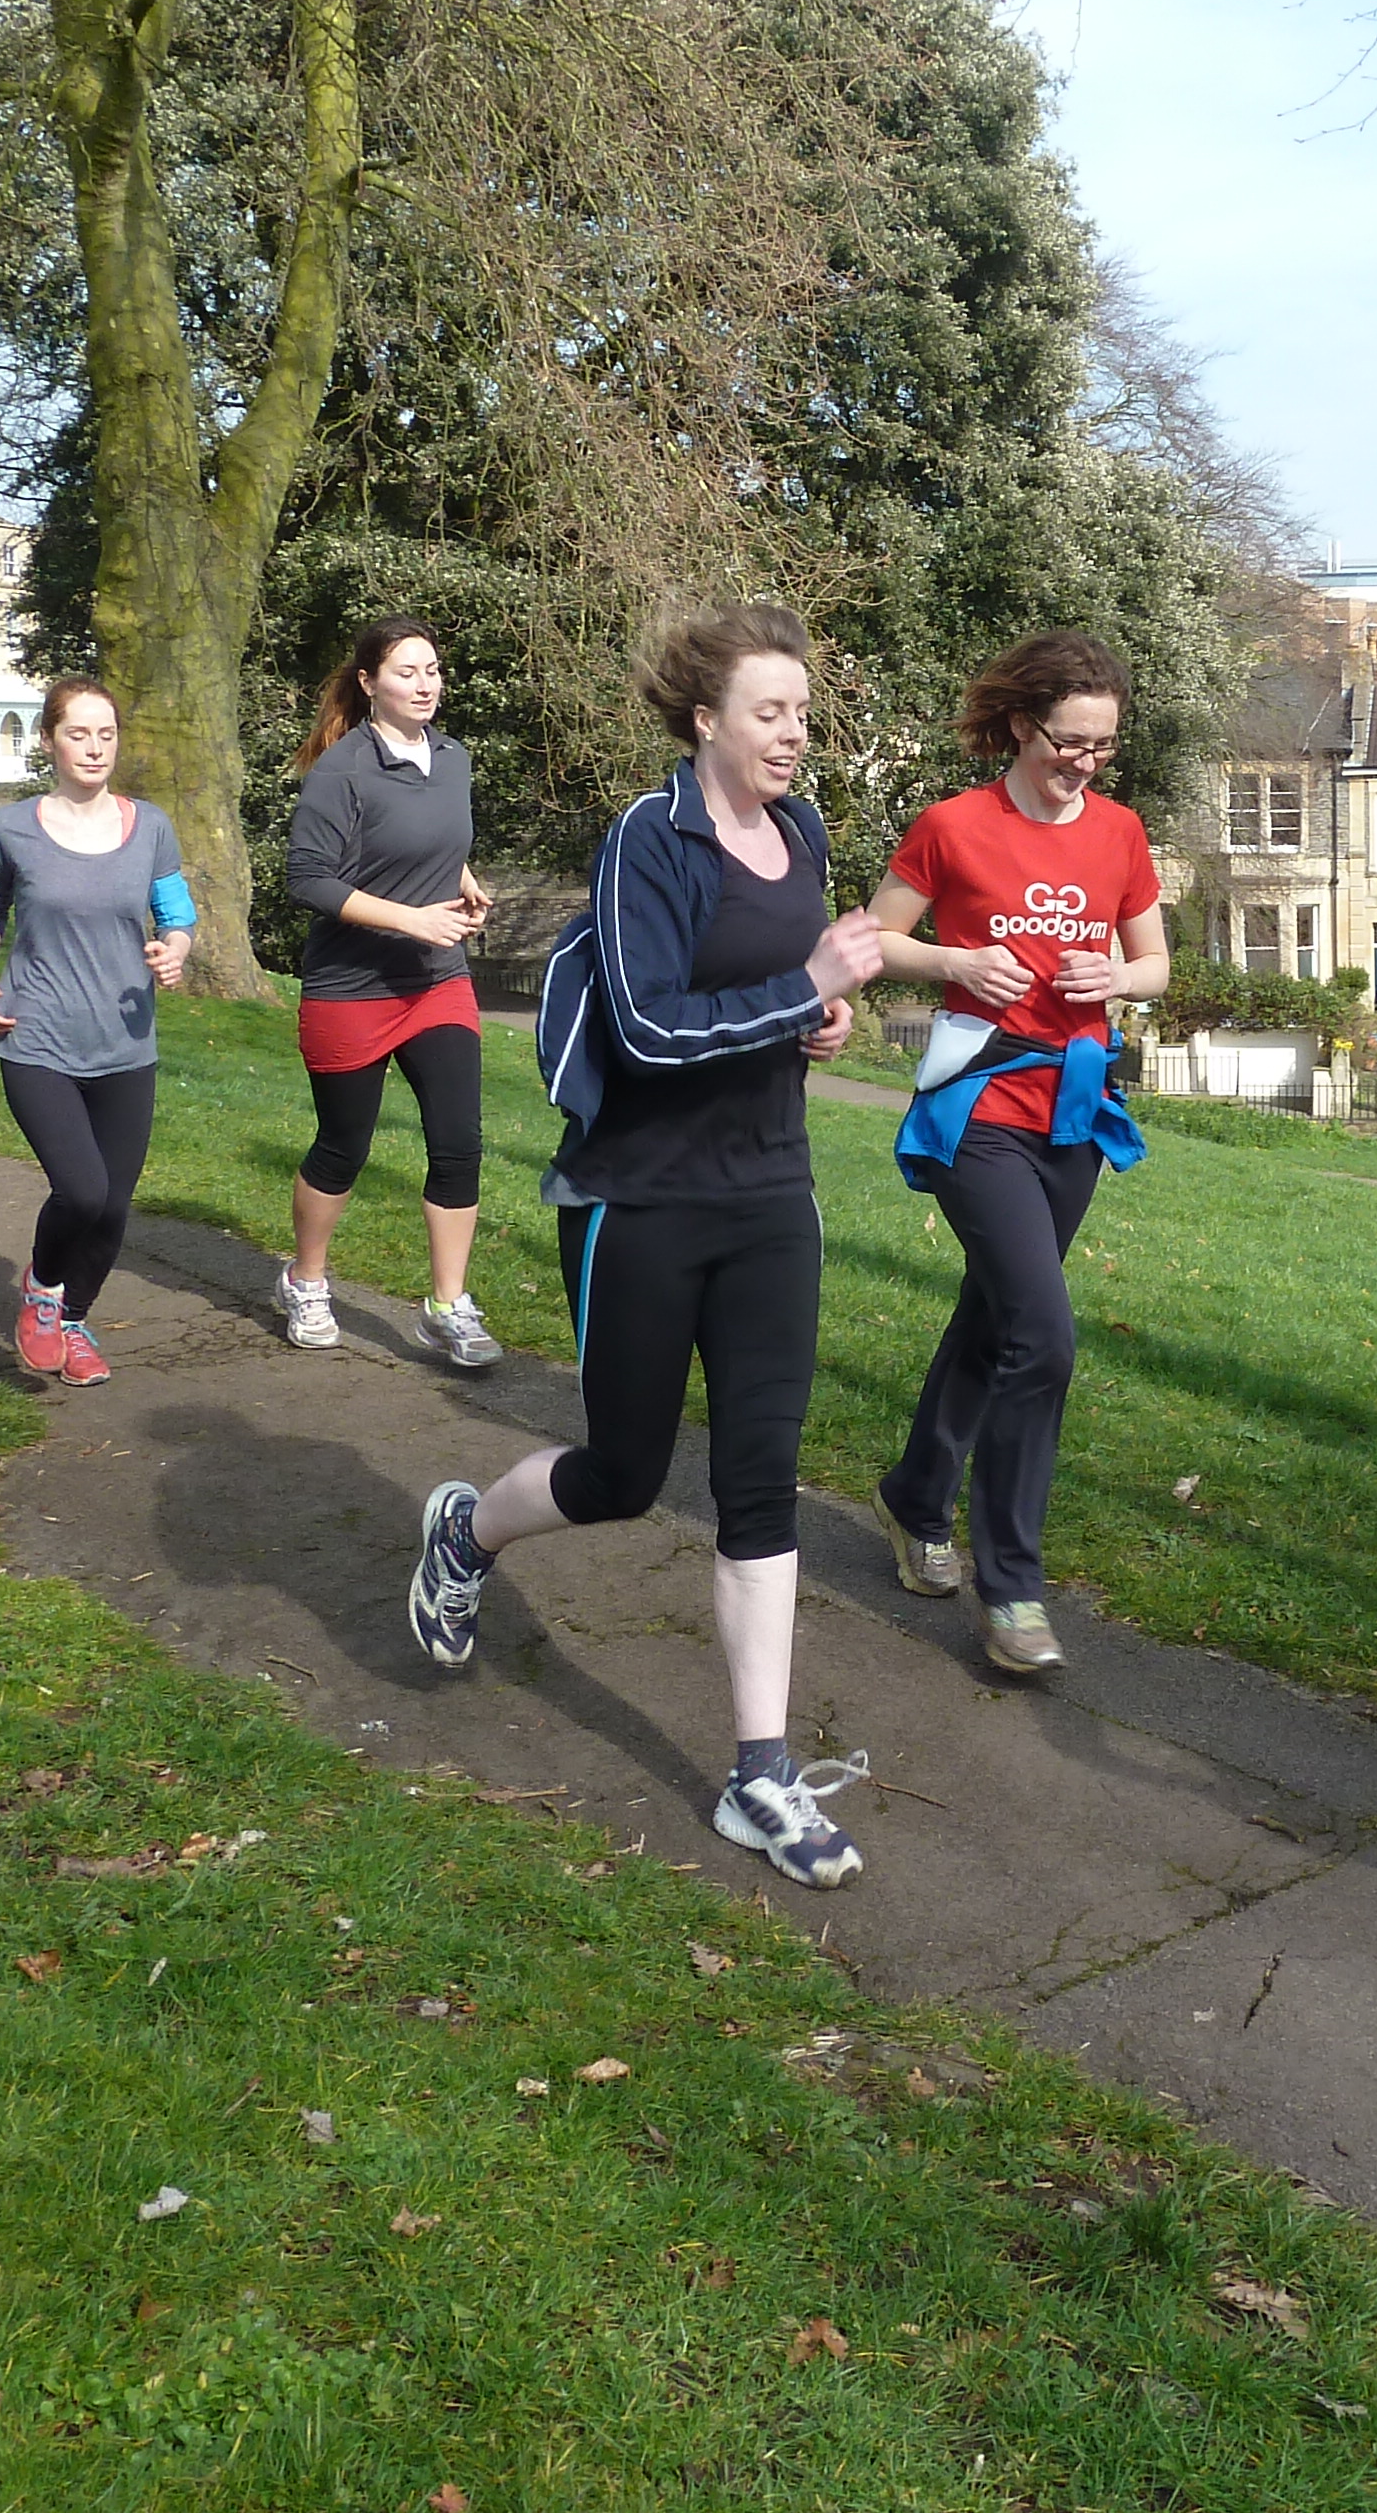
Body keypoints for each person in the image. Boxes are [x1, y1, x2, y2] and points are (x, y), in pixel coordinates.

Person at [406, 604, 883, 1889]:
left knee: (761, 1479)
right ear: (706, 720)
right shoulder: (645, 839)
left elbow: (783, 994)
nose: (793, 733)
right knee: (624, 1472)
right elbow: (655, 1028)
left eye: (799, 710)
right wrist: (804, 991)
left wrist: (815, 1024)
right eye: (770, 711)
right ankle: (468, 1532)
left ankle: (759, 1772)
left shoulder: (801, 833)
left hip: (771, 1191)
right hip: (642, 1198)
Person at [861, 631, 1166, 1676]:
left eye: (1103, 747)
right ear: (1023, 724)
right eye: (1071, 742)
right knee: (1044, 1336)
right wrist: (954, 957)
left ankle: (913, 1498)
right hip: (976, 1103)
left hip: (1073, 1110)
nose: (1085, 762)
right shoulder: (952, 826)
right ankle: (1014, 1589)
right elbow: (873, 938)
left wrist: (1115, 982)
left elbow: (1157, 960)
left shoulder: (1120, 833)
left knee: (995, 1316)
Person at [276, 617, 499, 1368]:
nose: (426, 683)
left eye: (433, 669)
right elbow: (307, 877)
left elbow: (438, 844)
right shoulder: (343, 770)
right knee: (344, 1149)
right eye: (407, 672)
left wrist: (464, 886)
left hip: (436, 985)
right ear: (370, 683)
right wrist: (409, 917)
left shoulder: (454, 758)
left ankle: (447, 1305)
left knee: (459, 1144)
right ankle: (306, 1280)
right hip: (351, 987)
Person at [0, 678, 192, 1386]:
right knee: (82, 1190)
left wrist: (177, 948)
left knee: (114, 1207)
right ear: (49, 740)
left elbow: (176, 912)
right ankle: (41, 1289)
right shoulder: (11, 828)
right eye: (78, 734)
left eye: (106, 734)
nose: (95, 748)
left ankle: (72, 1321)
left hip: (125, 1041)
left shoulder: (150, 825)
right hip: (36, 1035)